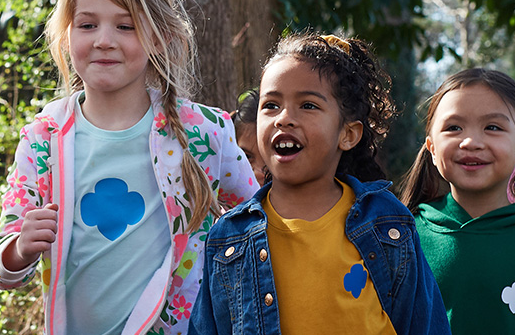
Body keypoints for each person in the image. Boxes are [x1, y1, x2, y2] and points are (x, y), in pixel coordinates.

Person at [0, 0, 260, 335]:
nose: (104, 40)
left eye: (125, 26)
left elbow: (261, 224)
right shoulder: (44, 139)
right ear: (66, 35)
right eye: (87, 25)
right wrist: (20, 248)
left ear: (160, 38)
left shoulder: (205, 134)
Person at [192, 34, 450, 335]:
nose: (284, 119)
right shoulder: (228, 237)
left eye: (308, 106)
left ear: (348, 134)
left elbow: (426, 325)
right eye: (271, 105)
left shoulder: (385, 223)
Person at [399, 68, 515, 335]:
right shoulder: (406, 235)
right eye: (454, 128)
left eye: (493, 127)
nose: (471, 142)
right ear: (432, 149)